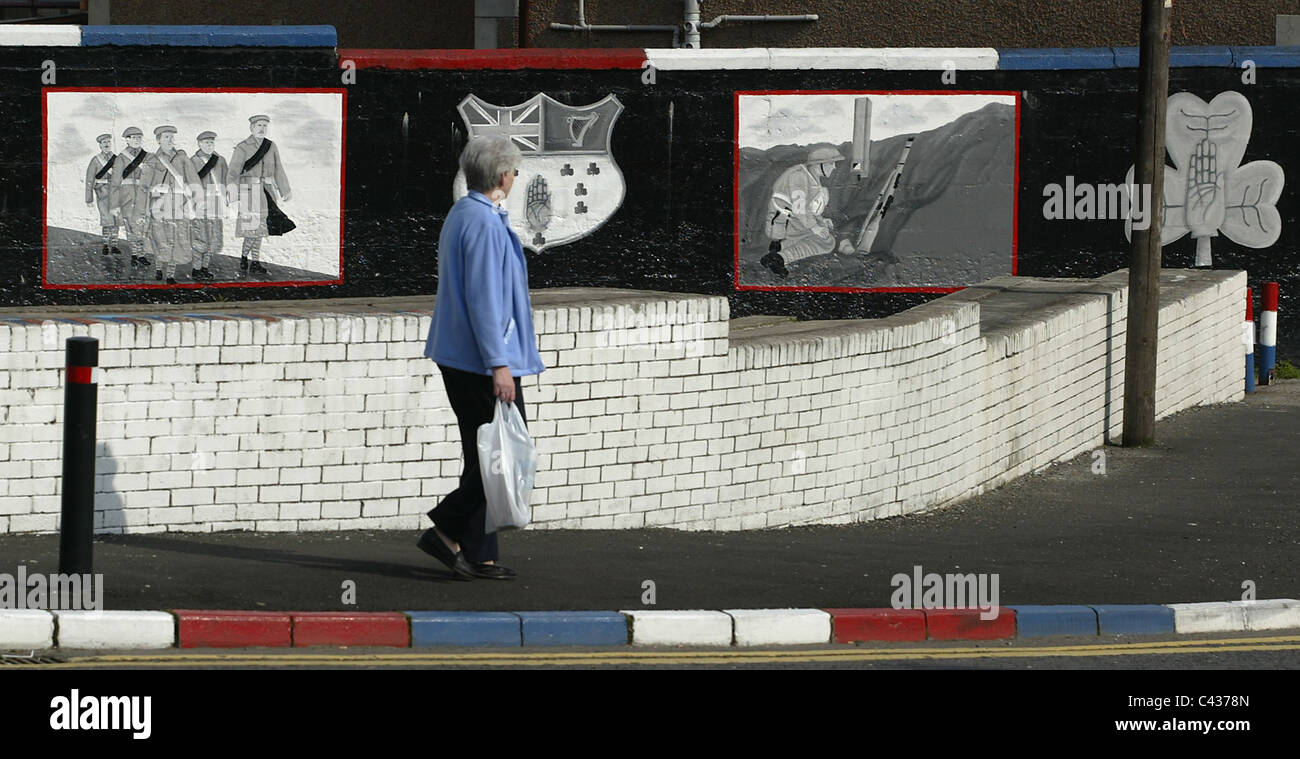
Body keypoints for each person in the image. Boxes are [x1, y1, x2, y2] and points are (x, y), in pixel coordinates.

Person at [420, 134, 545, 581]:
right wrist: (500, 364)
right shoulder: (487, 224)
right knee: (505, 452)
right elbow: (486, 300)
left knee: (484, 454)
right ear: (503, 176)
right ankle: (448, 528)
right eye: (513, 171)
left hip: (457, 353)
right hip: (480, 360)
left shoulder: (464, 213)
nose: (513, 178)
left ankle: (480, 552)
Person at [761, 146, 848, 278]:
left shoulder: (810, 176)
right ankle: (780, 258)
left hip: (794, 220)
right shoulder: (799, 177)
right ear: (819, 165)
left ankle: (778, 249)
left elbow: (808, 208)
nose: (834, 167)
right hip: (784, 222)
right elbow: (800, 208)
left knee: (824, 235)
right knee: (827, 242)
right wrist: (815, 227)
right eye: (831, 163)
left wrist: (821, 221)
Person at [227, 114, 291, 276]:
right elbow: (232, 173)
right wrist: (233, 195)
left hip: (267, 192)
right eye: (258, 125)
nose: (262, 128)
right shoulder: (242, 147)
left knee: (261, 230)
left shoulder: (271, 146)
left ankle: (253, 261)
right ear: (251, 128)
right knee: (252, 230)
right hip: (249, 193)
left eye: (264, 125)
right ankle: (246, 258)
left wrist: (285, 190)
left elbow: (278, 168)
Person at [140, 125, 201, 285]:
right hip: (159, 205)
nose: (170, 140)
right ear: (159, 140)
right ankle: (159, 268)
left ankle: (170, 274)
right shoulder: (152, 160)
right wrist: (153, 191)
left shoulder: (182, 158)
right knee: (161, 238)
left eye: (172, 136)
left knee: (176, 239)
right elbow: (144, 185)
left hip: (179, 204)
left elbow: (194, 180)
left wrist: (196, 200)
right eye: (166, 137)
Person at [189, 130, 228, 280]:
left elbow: (225, 180)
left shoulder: (220, 160)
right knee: (200, 236)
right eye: (206, 142)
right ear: (199, 144)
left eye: (212, 142)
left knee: (214, 237)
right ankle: (196, 269)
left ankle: (205, 267)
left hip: (216, 203)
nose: (209, 145)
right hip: (200, 202)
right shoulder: (193, 161)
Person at [112, 126, 152, 270]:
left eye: (139, 138)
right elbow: (115, 183)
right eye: (133, 138)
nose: (137, 140)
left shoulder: (148, 156)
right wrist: (114, 204)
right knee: (131, 227)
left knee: (143, 226)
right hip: (127, 197)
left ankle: (141, 254)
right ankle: (136, 255)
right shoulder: (121, 158)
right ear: (127, 140)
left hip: (144, 196)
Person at [85, 133, 121, 266]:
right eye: (104, 142)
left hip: (116, 192)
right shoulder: (96, 160)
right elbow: (89, 179)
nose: (106, 144)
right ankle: (106, 244)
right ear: (100, 145)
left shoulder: (117, 159)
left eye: (108, 142)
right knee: (106, 219)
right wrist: (89, 199)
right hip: (102, 192)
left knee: (116, 219)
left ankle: (115, 245)